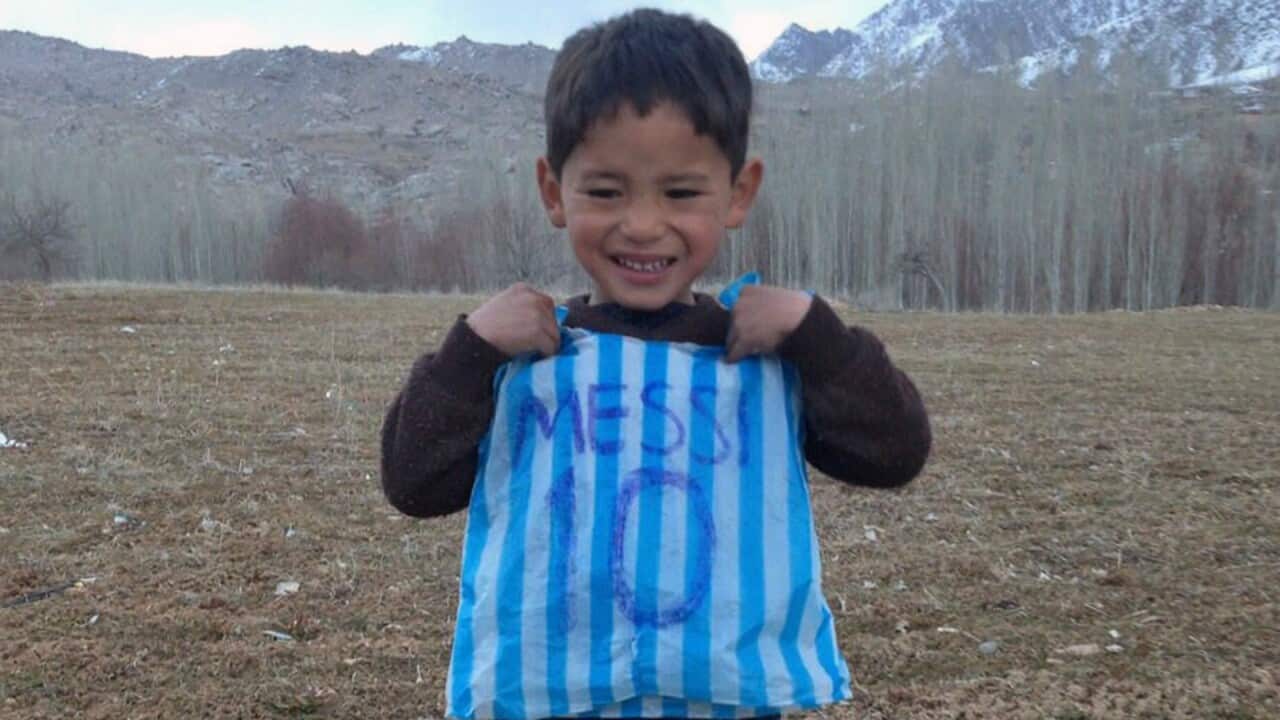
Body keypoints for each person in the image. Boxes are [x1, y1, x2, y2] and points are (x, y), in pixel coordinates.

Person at [380, 8, 931, 719]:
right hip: (546, 700)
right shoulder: (519, 353)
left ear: (738, 194)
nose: (642, 223)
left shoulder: (768, 354)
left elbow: (896, 453)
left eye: (681, 192)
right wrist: (467, 354)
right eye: (606, 191)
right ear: (554, 192)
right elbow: (411, 482)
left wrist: (819, 337)